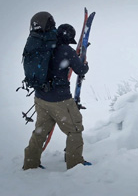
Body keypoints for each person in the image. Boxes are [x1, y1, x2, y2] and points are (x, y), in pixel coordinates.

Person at [23, 12, 91, 170]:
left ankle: (30, 163)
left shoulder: (43, 45)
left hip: (40, 98)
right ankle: (75, 165)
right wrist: (84, 63)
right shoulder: (66, 50)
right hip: (60, 101)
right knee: (74, 129)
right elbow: (81, 70)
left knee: (40, 132)